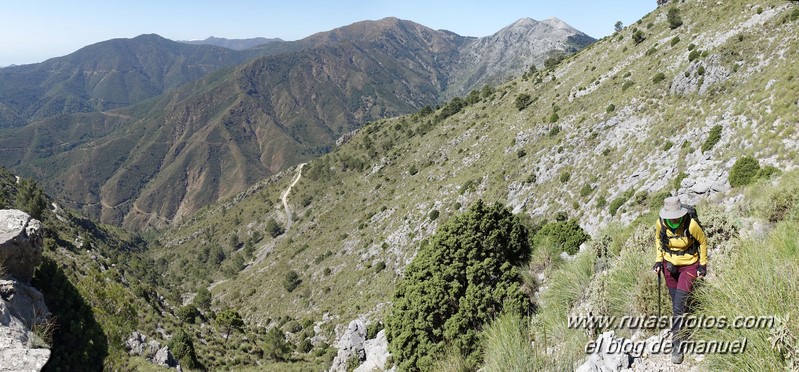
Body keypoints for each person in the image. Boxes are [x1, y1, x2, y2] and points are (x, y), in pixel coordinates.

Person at [652, 196, 707, 364]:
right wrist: (658, 260)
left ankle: (677, 346)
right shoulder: (661, 223)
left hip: (689, 266)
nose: (673, 218)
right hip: (669, 267)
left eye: (675, 215)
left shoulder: (690, 224)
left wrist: (702, 265)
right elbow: (658, 240)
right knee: (677, 303)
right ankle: (687, 321)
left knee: (677, 307)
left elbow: (703, 241)